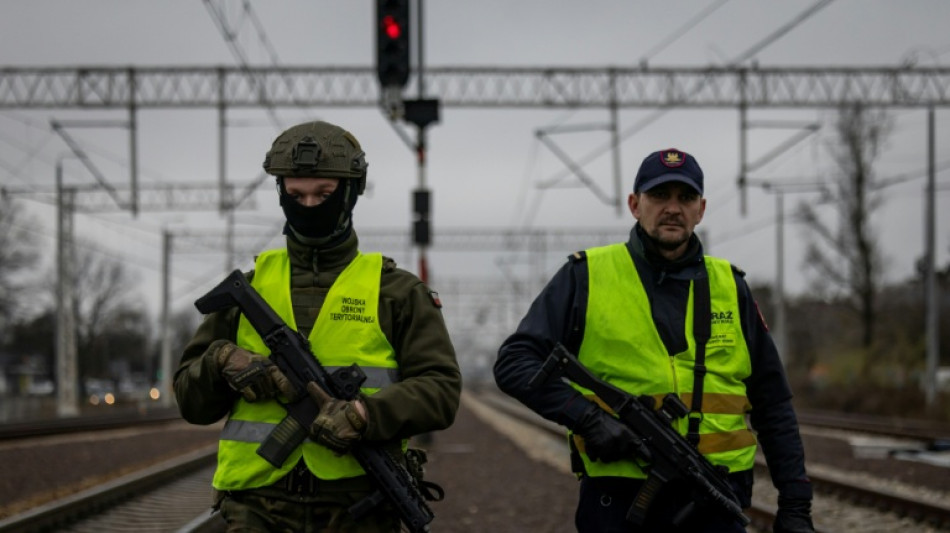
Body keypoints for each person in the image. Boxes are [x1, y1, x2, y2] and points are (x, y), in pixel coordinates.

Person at [494, 148, 814, 533]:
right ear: (634, 204)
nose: (673, 208)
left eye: (686, 197)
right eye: (660, 196)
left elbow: (773, 402)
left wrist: (796, 506)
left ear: (701, 209)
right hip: (619, 501)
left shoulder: (731, 285)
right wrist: (588, 419)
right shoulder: (586, 275)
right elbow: (515, 362)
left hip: (715, 500)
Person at [175, 120, 462, 533]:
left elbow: (442, 389)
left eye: (323, 195)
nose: (309, 206)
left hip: (357, 505)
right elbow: (190, 400)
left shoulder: (395, 292)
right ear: (281, 193)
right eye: (295, 195)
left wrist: (365, 413)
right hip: (256, 506)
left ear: (349, 193)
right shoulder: (250, 290)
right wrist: (220, 361)